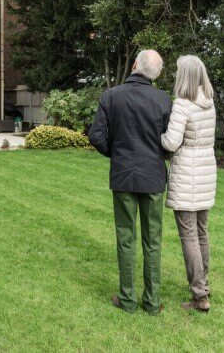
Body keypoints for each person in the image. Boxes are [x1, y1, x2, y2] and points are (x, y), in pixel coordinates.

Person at [88, 50, 171, 315]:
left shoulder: (112, 95)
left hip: (124, 173)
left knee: (126, 237)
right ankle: (152, 302)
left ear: (134, 65)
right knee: (153, 240)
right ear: (156, 74)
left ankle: (127, 299)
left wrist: (118, 153)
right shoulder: (163, 99)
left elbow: (97, 136)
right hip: (153, 175)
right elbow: (171, 142)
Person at [161, 55, 217, 313]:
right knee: (202, 231)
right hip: (206, 170)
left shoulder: (183, 105)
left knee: (188, 234)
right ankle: (204, 284)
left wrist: (156, 135)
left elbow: (172, 142)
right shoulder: (209, 103)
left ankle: (199, 294)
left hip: (187, 173)